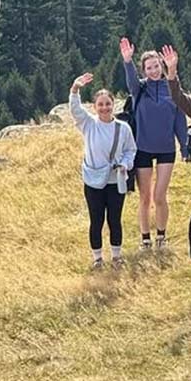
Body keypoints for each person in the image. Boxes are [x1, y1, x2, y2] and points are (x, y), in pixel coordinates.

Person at [120, 38, 188, 250]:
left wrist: (185, 146)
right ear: (144, 70)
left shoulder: (172, 88)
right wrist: (128, 61)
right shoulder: (139, 89)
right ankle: (145, 239)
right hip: (143, 148)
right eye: (148, 68)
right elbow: (131, 82)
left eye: (156, 66)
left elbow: (180, 120)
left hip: (167, 148)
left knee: (160, 196)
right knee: (145, 196)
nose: (153, 71)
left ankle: (161, 236)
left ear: (162, 65)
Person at [70, 73, 137, 269]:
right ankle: (97, 258)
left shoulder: (123, 128)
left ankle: (116, 257)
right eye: (100, 104)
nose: (104, 108)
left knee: (115, 220)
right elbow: (75, 109)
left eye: (108, 104)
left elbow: (130, 150)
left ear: (113, 105)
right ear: (94, 107)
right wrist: (75, 89)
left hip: (116, 180)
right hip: (94, 181)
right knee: (96, 220)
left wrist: (125, 164)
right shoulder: (89, 124)